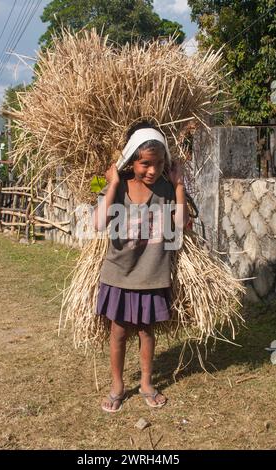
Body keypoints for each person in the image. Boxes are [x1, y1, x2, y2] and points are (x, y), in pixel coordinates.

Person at [93, 122, 189, 412]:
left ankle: (147, 383)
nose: (151, 170)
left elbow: (182, 224)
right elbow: (97, 223)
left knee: (147, 331)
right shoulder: (119, 187)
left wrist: (179, 185)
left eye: (158, 164)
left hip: (151, 274)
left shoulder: (165, 189)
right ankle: (117, 385)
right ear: (131, 160)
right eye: (145, 163)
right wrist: (111, 183)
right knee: (119, 331)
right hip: (119, 273)